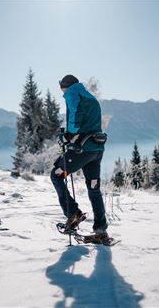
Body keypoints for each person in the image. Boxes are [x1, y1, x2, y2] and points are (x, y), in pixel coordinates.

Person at [51, 75, 108, 240]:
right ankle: (100, 229)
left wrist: (68, 135)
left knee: (56, 175)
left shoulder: (72, 93)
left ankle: (73, 214)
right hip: (97, 149)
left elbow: (75, 116)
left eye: (61, 87)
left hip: (81, 150)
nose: (61, 91)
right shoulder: (90, 97)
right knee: (94, 188)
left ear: (65, 85)